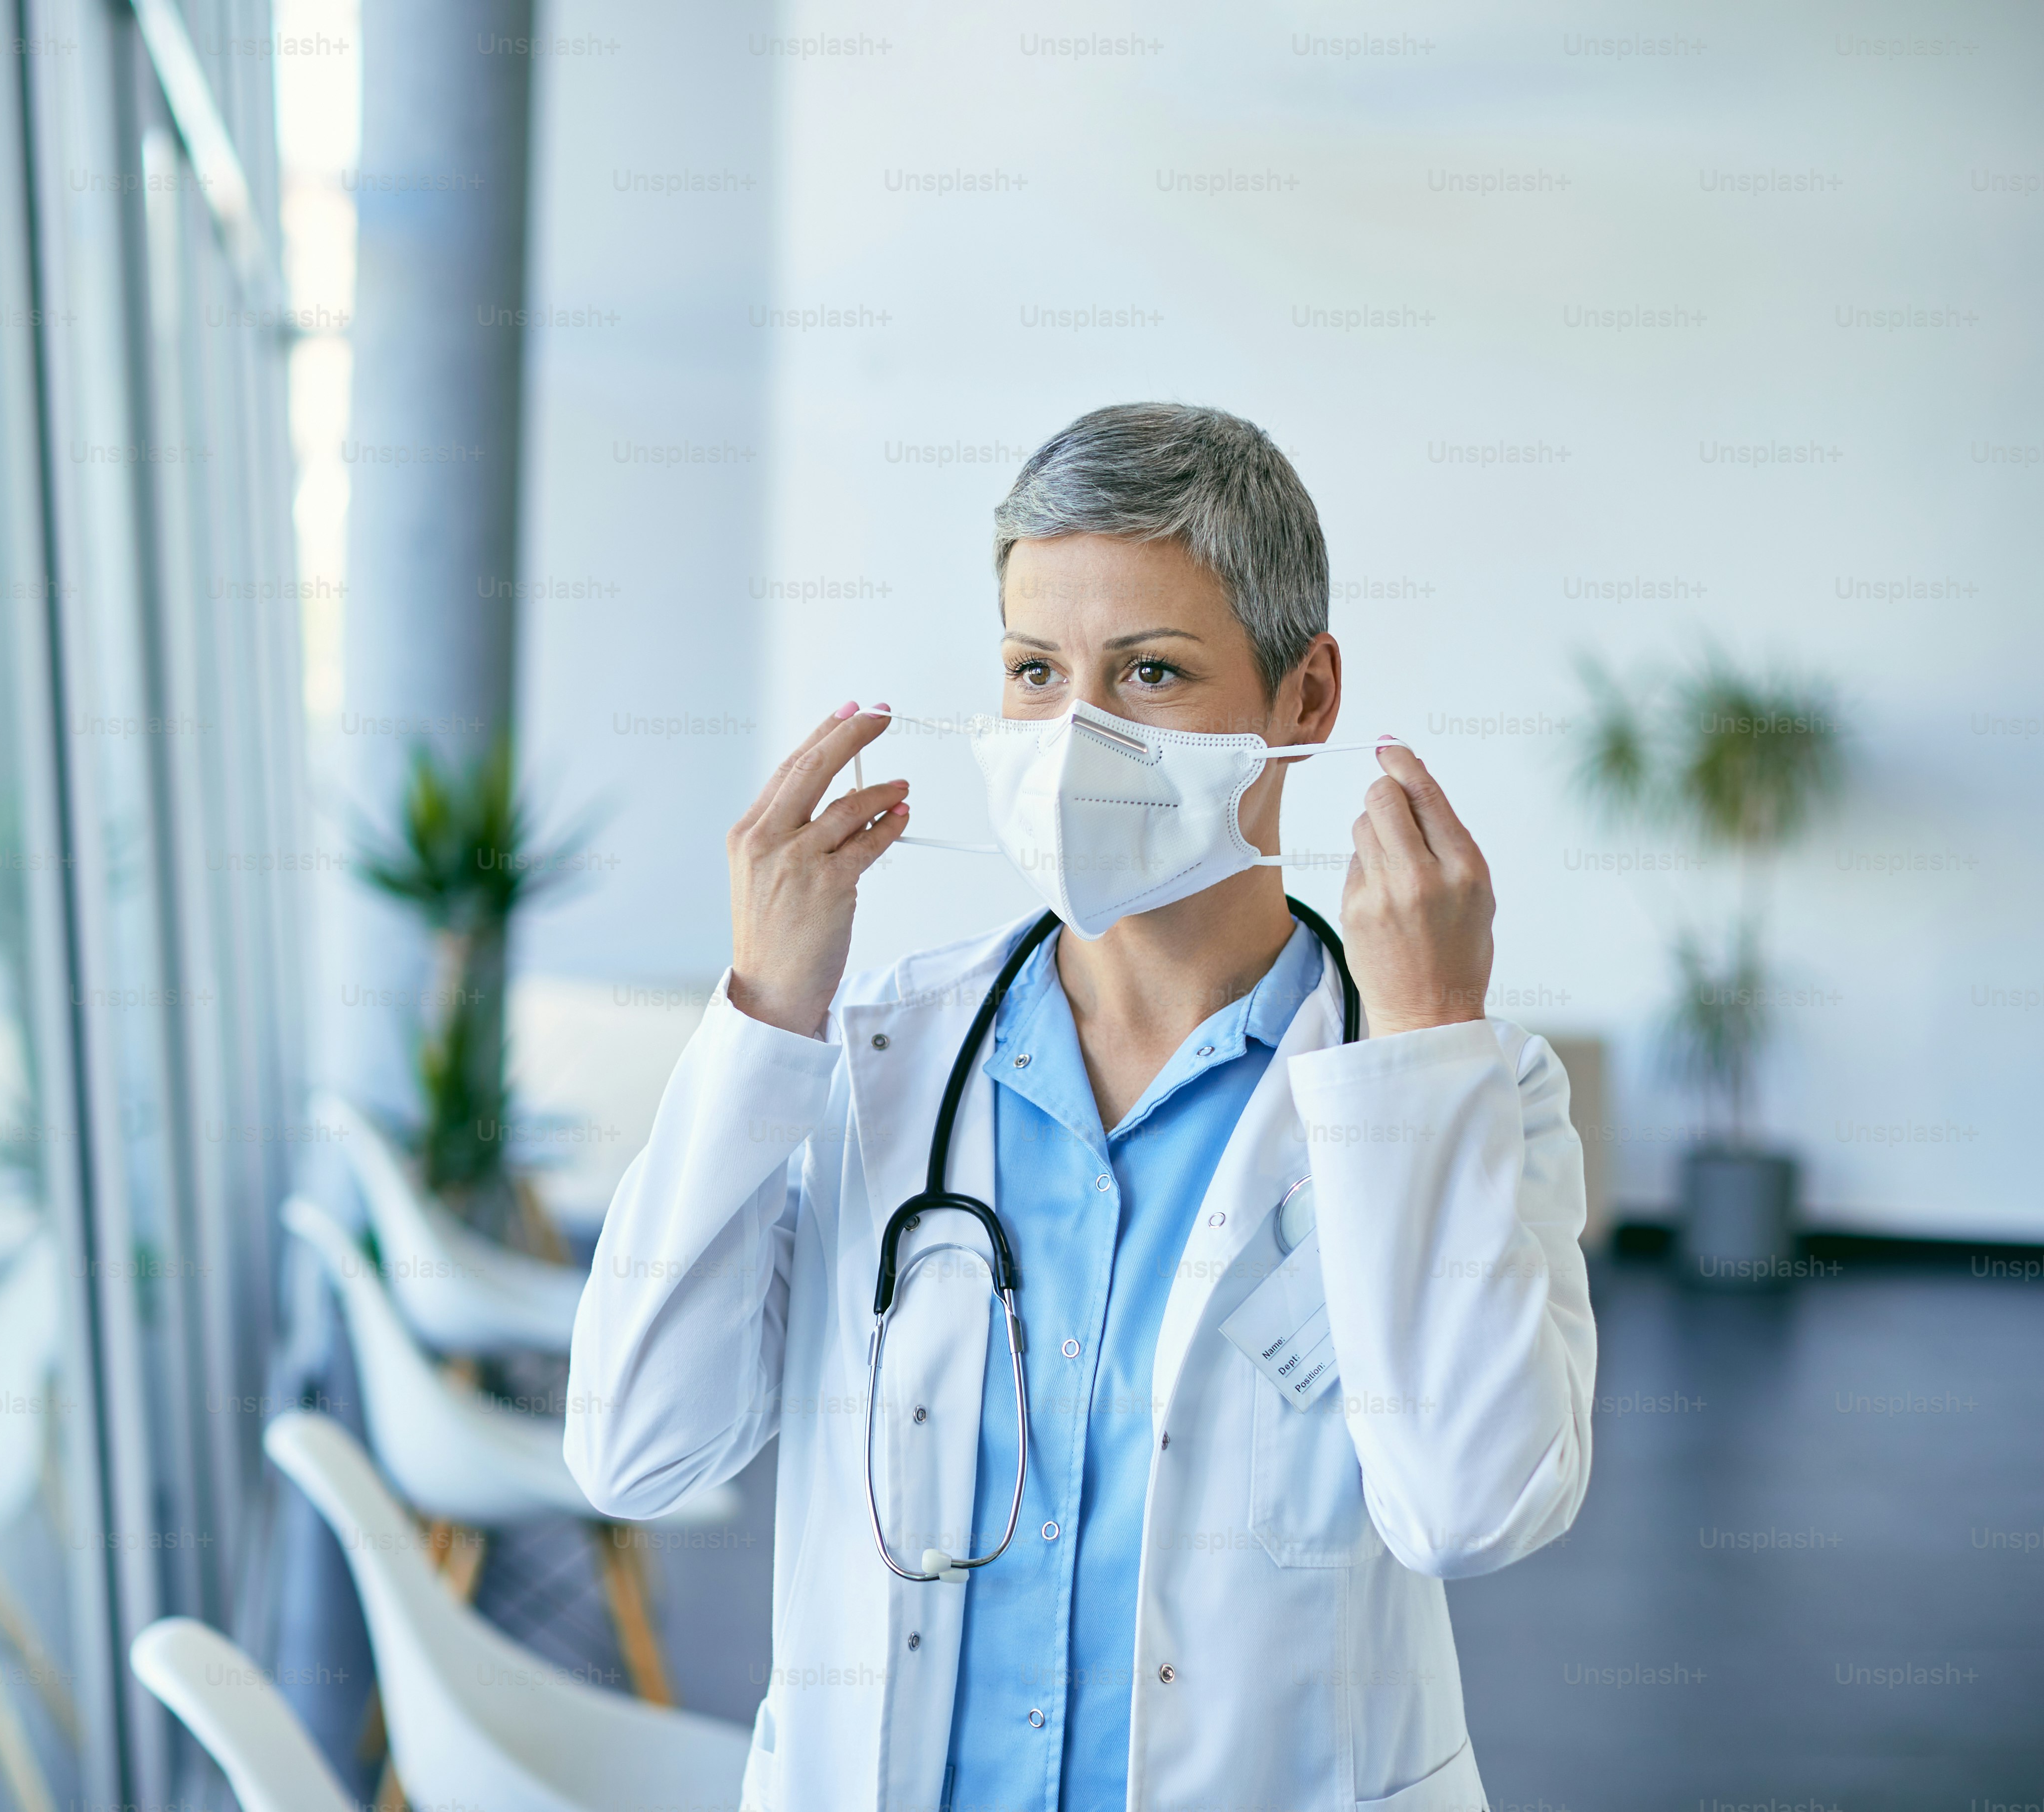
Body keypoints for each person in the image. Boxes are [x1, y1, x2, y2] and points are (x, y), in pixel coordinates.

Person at [565, 403, 1596, 1812]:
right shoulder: (879, 1063)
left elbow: (1472, 1509)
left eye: (1152, 671)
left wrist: (1420, 1056)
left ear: (1306, 699)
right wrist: (761, 1018)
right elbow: (635, 1447)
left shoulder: (1467, 1094)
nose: (1074, 736)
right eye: (1035, 671)